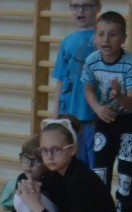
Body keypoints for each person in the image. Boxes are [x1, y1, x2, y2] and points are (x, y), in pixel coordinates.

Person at [83, 11, 132, 212]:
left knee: (127, 169)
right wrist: (98, 109)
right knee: (100, 168)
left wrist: (118, 95)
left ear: (123, 38)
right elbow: (89, 88)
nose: (106, 39)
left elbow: (131, 102)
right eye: (101, 34)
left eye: (112, 35)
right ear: (95, 38)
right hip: (106, 116)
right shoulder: (92, 61)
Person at [50, 1, 101, 166]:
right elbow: (61, 80)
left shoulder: (101, 39)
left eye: (86, 6)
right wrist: (56, 113)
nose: (81, 11)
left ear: (98, 7)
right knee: (68, 165)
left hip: (90, 116)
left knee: (92, 166)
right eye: (75, 6)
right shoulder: (67, 41)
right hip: (68, 116)